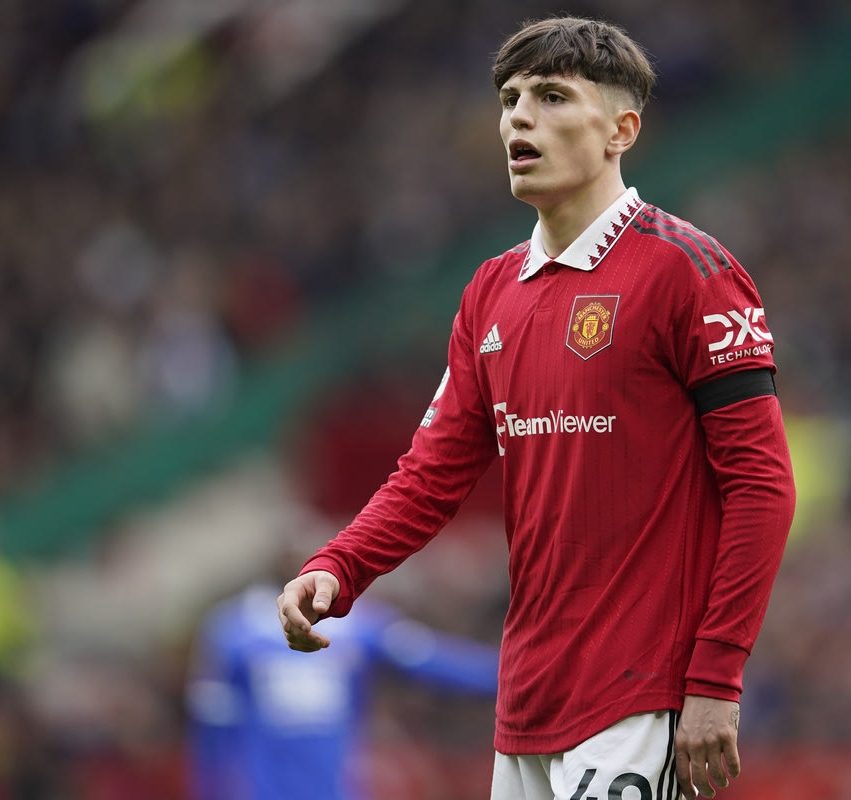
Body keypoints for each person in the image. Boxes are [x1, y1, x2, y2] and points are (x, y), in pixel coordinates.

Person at [278, 16, 796, 800]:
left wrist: (716, 677)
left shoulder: (690, 272)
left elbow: (763, 486)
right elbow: (430, 475)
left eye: (552, 97)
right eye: (511, 99)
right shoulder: (490, 290)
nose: (519, 118)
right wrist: (338, 566)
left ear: (621, 130)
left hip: (640, 692)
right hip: (527, 703)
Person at [187, 579, 499, 800]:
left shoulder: (360, 624)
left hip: (338, 789)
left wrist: (504, 676)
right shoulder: (234, 628)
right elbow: (211, 729)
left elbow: (431, 660)